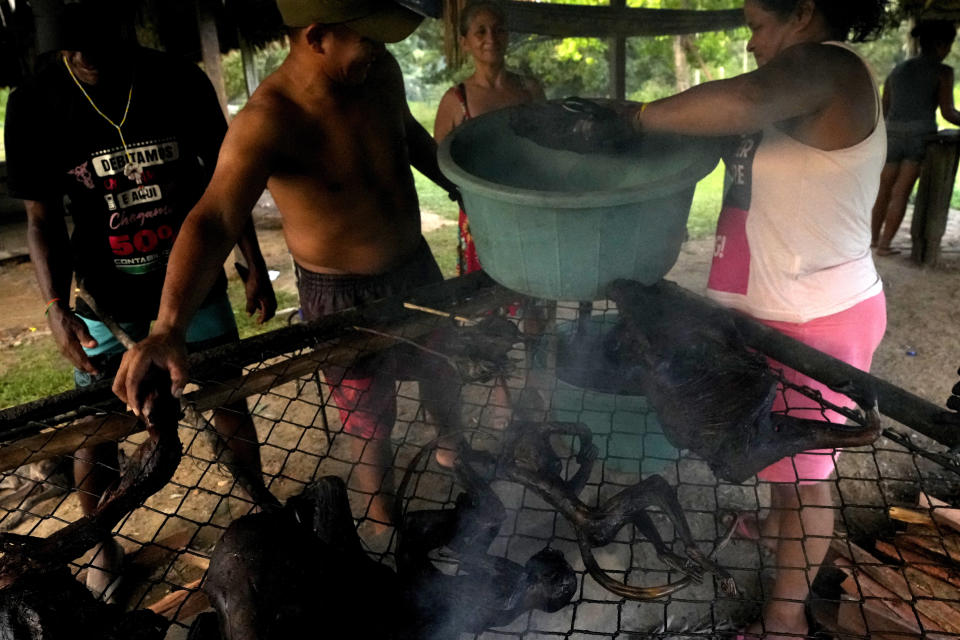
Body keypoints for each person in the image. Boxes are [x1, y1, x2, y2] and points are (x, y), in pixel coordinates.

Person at [591, 1, 888, 638]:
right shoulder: (794, 95)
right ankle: (783, 534)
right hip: (767, 315)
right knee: (778, 453)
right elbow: (722, 129)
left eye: (756, 24)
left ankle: (786, 620)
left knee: (810, 478)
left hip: (818, 319)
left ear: (804, 11)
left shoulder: (832, 71)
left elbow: (746, 96)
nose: (751, 43)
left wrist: (636, 115)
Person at [112, 0, 464, 532]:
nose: (381, 49)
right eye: (366, 37)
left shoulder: (381, 72)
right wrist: (167, 327)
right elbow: (213, 218)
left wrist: (461, 186)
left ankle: (452, 447)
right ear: (317, 36)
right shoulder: (269, 120)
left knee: (444, 369)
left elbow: (407, 134)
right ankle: (383, 513)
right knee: (368, 418)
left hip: (415, 267)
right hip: (341, 297)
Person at [4, 0, 275, 602]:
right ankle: (100, 540)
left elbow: (223, 186)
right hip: (101, 298)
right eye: (67, 47)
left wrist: (252, 262)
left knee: (226, 401)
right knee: (95, 426)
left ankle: (255, 501)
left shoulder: (179, 81)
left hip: (192, 287)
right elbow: (42, 219)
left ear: (121, 21)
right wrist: (55, 306)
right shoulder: (32, 103)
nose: (80, 56)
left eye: (91, 43)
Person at [433, 0, 544, 275]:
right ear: (465, 42)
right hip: (483, 218)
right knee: (486, 301)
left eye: (498, 30)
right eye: (480, 32)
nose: (491, 38)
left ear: (508, 35)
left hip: (531, 208)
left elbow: (550, 146)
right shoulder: (456, 100)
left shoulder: (530, 90)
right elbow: (441, 164)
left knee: (535, 299)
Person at [871, 20, 960, 256]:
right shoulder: (943, 72)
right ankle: (885, 245)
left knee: (883, 190)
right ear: (941, 45)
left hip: (891, 134)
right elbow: (948, 112)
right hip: (919, 137)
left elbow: (884, 108)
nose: (949, 50)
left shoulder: (897, 71)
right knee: (901, 192)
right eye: (949, 45)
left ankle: (871, 240)